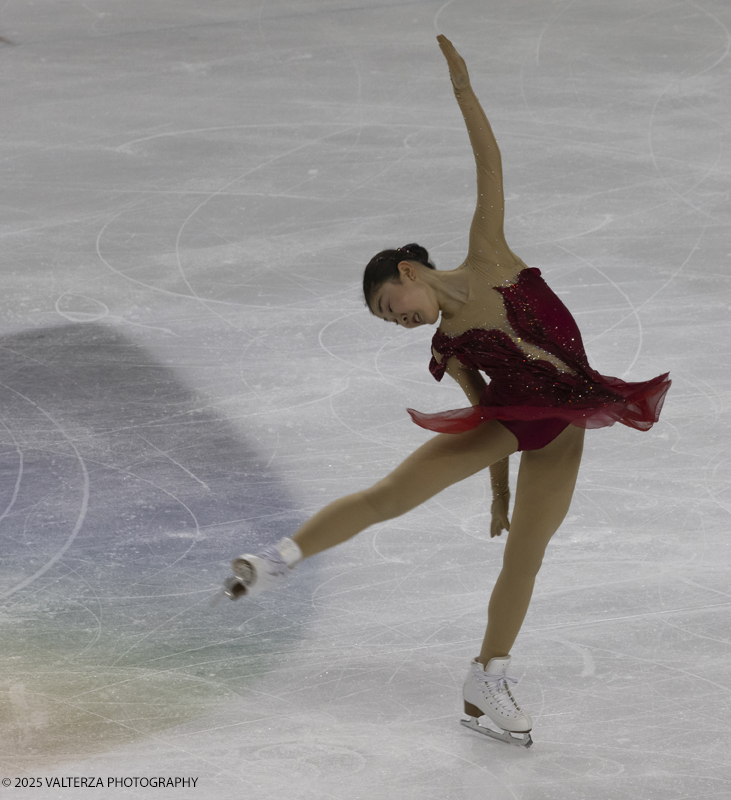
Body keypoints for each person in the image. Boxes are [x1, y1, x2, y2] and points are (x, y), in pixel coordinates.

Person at [220, 35, 671, 747]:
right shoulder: (448, 344)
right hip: (512, 421)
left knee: (526, 554)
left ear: (411, 270)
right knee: (386, 497)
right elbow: (480, 406)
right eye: (386, 321)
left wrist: (463, 91)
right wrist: (496, 485)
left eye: (390, 306)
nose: (397, 321)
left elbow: (489, 164)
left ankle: (486, 675)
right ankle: (275, 560)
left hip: (565, 419)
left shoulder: (489, 252)